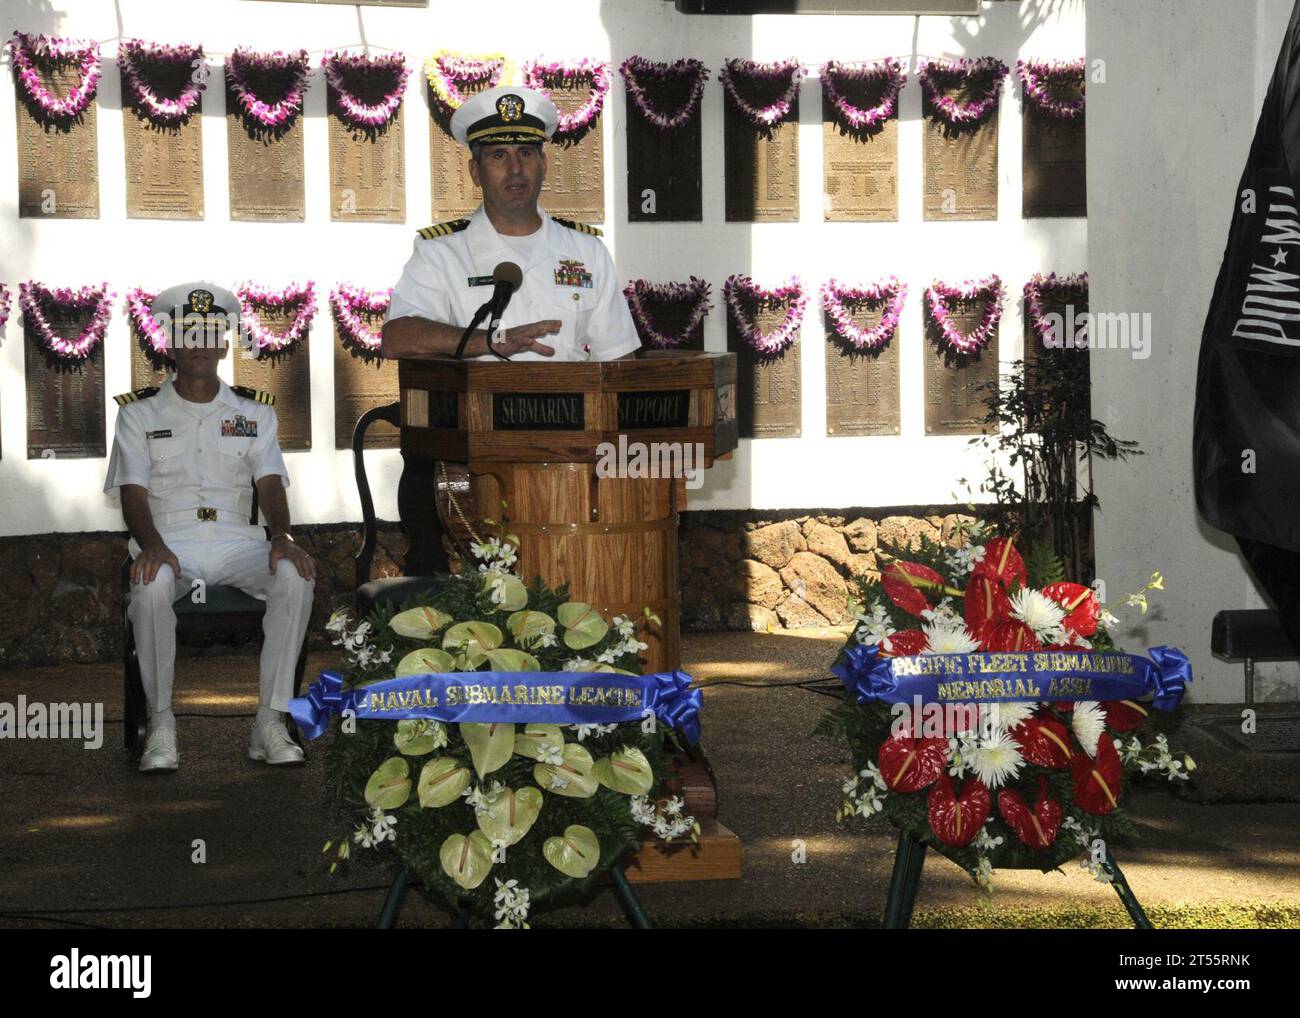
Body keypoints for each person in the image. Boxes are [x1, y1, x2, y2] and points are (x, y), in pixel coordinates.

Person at [104, 283, 316, 773]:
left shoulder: (253, 411)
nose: (200, 343)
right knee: (150, 583)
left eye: (211, 333)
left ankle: (270, 722)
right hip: (168, 540)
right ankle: (160, 725)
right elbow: (132, 492)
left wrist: (282, 537)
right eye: (188, 334)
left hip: (236, 542)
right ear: (172, 344)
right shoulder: (138, 414)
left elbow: (270, 485)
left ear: (224, 344)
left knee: (296, 576)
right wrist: (151, 546)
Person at [381, 85, 641, 362]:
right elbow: (397, 337)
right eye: (499, 155)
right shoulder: (441, 252)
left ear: (544, 164)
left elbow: (618, 357)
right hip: (479, 405)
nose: (515, 169)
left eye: (526, 153)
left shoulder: (587, 251)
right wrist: (492, 341)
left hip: (572, 404)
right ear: (475, 172)